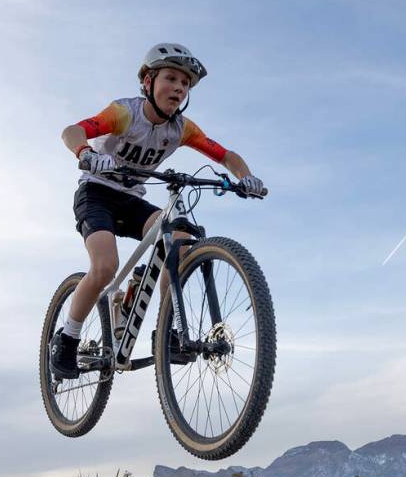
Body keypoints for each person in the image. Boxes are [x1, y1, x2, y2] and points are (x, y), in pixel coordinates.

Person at [51, 43, 264, 380]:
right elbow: (72, 131)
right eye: (171, 78)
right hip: (97, 194)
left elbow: (225, 156)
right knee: (105, 266)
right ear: (148, 82)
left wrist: (247, 178)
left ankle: (169, 331)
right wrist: (84, 152)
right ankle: (67, 338)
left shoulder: (182, 129)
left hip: (133, 199)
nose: (179, 88)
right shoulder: (123, 113)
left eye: (185, 84)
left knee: (178, 240)